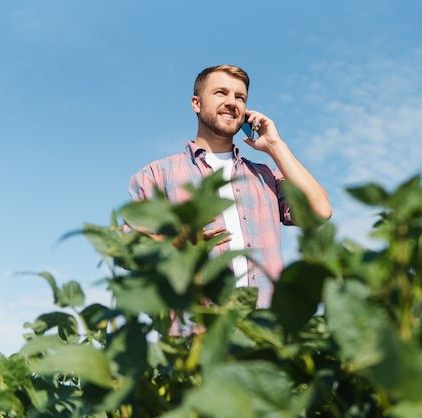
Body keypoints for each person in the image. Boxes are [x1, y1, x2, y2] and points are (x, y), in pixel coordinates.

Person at [127, 64, 332, 319]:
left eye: (240, 97)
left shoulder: (264, 176)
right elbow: (129, 249)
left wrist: (275, 146)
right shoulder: (157, 175)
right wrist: (180, 242)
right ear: (196, 103)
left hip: (264, 335)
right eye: (221, 93)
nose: (232, 102)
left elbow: (319, 211)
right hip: (195, 336)